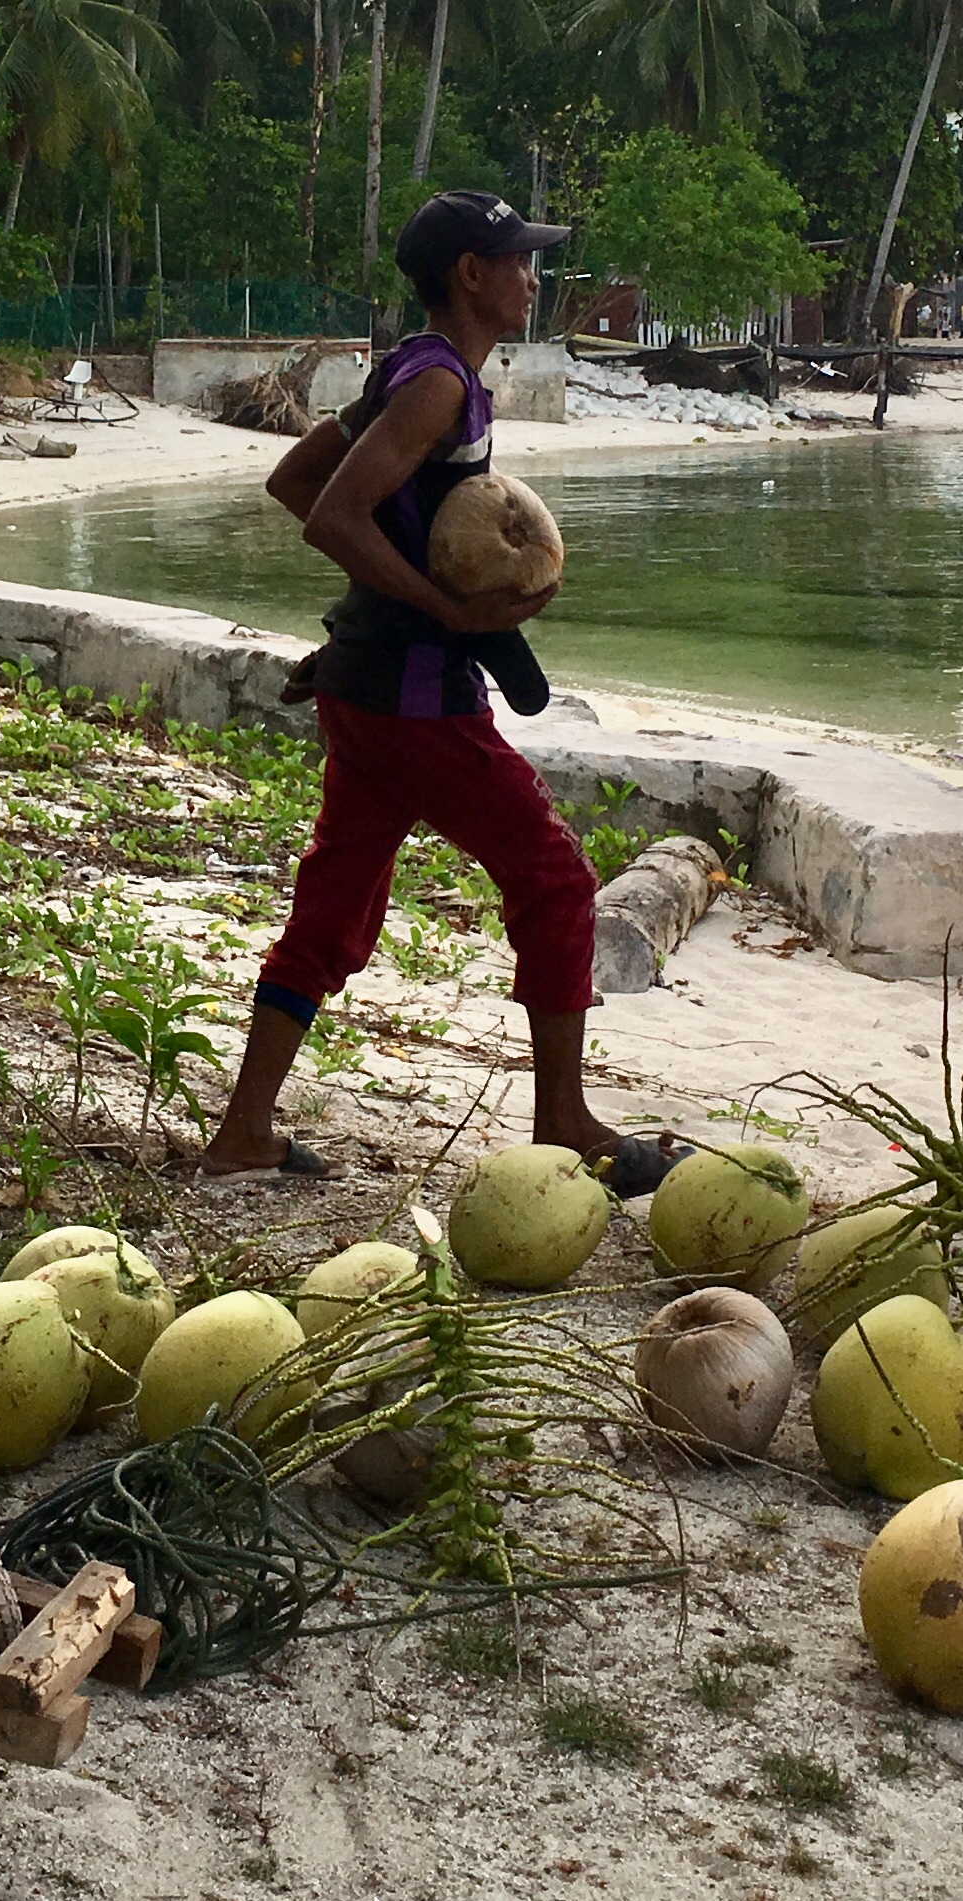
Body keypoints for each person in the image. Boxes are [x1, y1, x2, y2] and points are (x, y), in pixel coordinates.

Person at [196, 189, 673, 1193]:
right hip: (415, 699)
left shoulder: (413, 373)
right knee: (555, 882)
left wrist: (379, 618)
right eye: (520, 261)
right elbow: (330, 514)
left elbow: (294, 482)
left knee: (332, 909)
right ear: (471, 273)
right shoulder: (436, 385)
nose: (533, 278)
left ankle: (245, 1130)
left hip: (369, 687)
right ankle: (564, 1120)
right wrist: (443, 614)